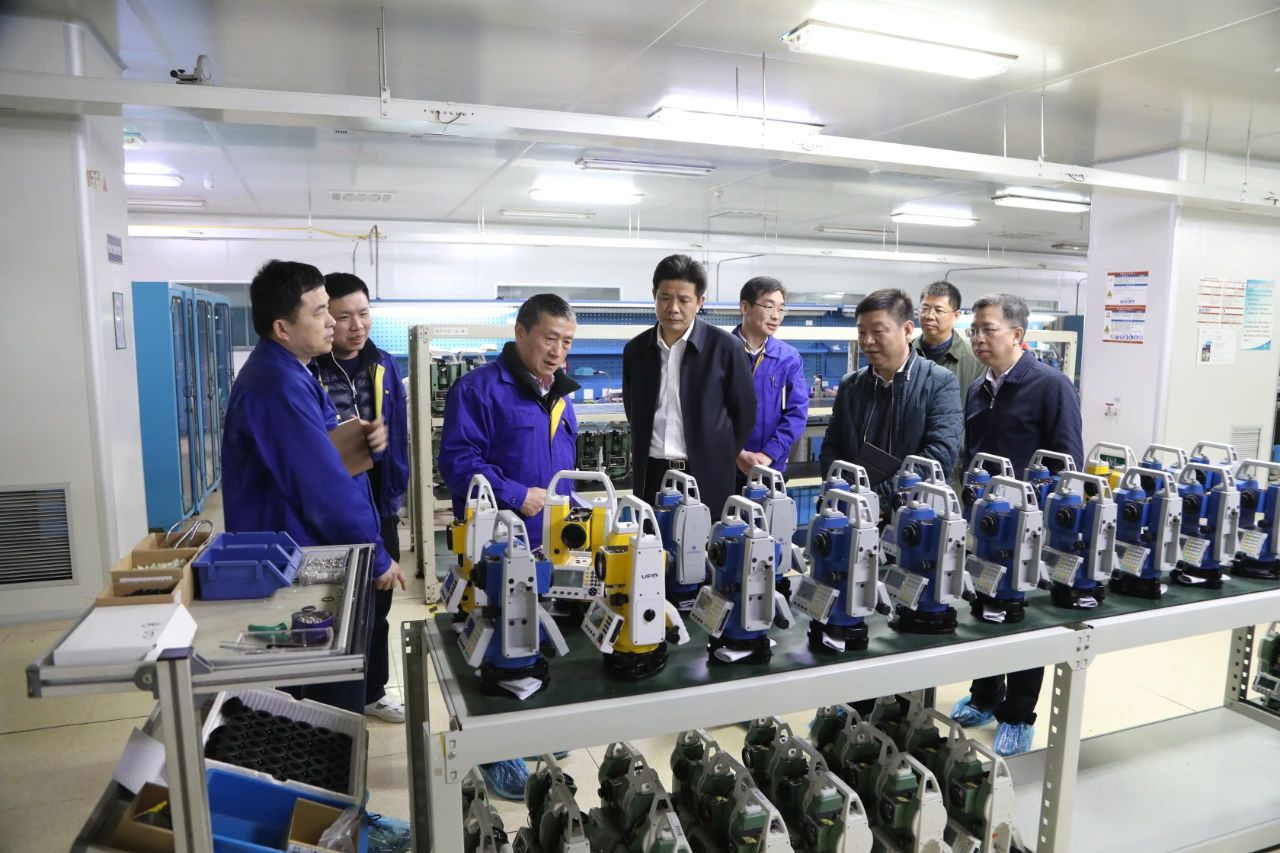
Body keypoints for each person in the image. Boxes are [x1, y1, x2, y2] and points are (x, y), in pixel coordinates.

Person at [222, 260, 406, 715]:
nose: (333, 323)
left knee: (327, 678)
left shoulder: (291, 371)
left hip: (308, 549)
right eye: (321, 312)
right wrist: (378, 554)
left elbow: (322, 452)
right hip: (303, 556)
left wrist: (356, 439)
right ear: (282, 327)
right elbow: (321, 487)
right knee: (325, 699)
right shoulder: (278, 384)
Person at [437, 293, 580, 800]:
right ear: (520, 333)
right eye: (549, 338)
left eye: (567, 342)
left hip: (548, 543)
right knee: (494, 644)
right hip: (494, 543)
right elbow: (458, 463)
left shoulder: (560, 394)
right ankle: (495, 750)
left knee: (533, 642)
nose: (557, 351)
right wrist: (518, 495)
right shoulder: (478, 390)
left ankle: (531, 731)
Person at [949, 293, 1084, 757]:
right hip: (987, 522)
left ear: (1018, 335)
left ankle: (1018, 714)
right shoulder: (978, 388)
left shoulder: (1050, 385)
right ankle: (985, 695)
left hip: (1030, 525)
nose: (978, 338)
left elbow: (1068, 460)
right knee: (986, 605)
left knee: (1023, 617)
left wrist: (1051, 522)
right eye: (974, 330)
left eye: (988, 329)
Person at [314, 272, 409, 724]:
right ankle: (331, 693)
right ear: (325, 318)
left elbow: (399, 434)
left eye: (364, 314)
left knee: (379, 600)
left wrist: (395, 492)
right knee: (331, 601)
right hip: (330, 502)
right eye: (343, 316)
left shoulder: (383, 365)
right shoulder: (311, 368)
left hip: (379, 499)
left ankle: (373, 691)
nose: (357, 326)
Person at [623, 254, 757, 518]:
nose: (673, 308)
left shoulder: (725, 348)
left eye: (684, 300)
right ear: (654, 295)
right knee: (651, 541)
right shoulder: (636, 351)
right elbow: (633, 410)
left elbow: (745, 413)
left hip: (707, 477)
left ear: (699, 302)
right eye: (665, 297)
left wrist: (717, 455)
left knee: (706, 540)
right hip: (652, 474)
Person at [818, 288, 963, 505]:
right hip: (853, 507)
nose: (867, 341)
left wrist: (878, 498)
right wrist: (845, 492)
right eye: (862, 332)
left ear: (907, 330)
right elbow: (832, 446)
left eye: (878, 332)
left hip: (914, 510)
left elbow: (940, 455)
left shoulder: (939, 382)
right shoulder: (851, 385)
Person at [733, 276, 810, 489]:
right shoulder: (720, 353)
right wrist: (737, 454)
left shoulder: (788, 358)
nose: (776, 316)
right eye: (769, 307)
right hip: (727, 466)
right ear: (745, 307)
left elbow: (797, 412)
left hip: (771, 468)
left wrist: (769, 454)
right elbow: (711, 414)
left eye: (781, 309)